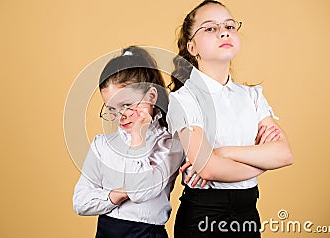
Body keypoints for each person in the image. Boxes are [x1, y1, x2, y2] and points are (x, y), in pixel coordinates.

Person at [167, 1, 293, 237]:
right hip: (203, 216)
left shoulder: (252, 96)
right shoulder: (184, 99)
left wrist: (223, 152)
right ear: (192, 47)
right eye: (210, 28)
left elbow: (284, 154)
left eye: (229, 26)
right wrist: (263, 160)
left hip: (248, 213)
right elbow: (209, 168)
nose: (224, 31)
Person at [73, 46, 183, 238]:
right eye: (112, 109)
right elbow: (80, 202)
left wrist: (137, 137)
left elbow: (141, 193)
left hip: (147, 234)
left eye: (126, 105)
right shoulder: (102, 145)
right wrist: (116, 195)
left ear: (151, 96)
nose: (120, 116)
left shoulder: (169, 143)